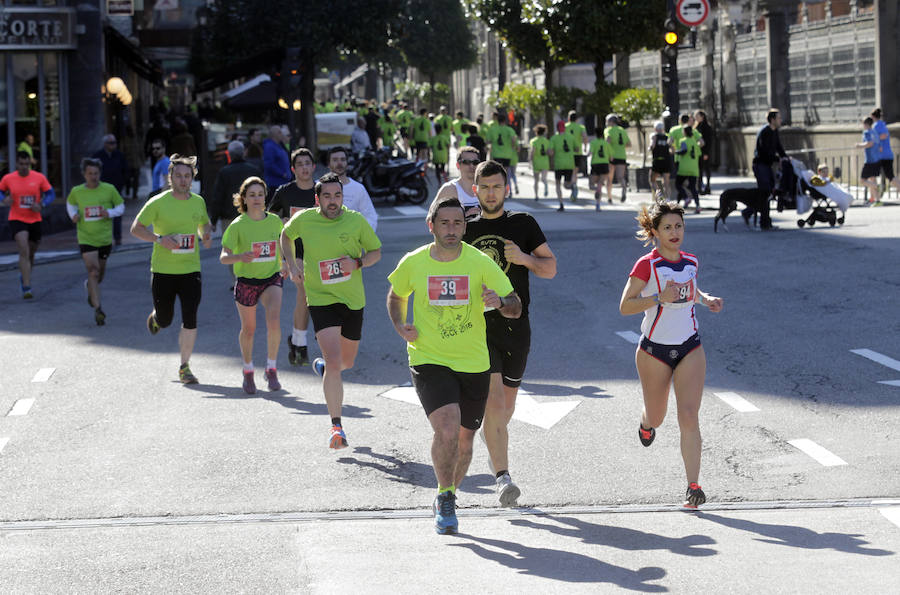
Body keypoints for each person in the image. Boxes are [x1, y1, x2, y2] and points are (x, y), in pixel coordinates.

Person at [387, 195, 521, 534]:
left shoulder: (479, 262)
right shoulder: (414, 262)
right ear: (430, 225)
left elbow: (515, 305)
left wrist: (500, 301)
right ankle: (446, 497)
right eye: (444, 223)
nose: (451, 229)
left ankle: (447, 491)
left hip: (473, 363)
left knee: (464, 441)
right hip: (428, 357)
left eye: (458, 223)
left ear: (465, 226)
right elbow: (396, 295)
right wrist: (400, 324)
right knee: (446, 428)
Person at [618, 199, 723, 509]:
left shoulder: (690, 261)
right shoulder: (646, 265)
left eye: (679, 226)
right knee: (659, 416)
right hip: (654, 352)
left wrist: (706, 300)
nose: (675, 232)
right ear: (655, 232)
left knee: (689, 415)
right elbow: (625, 306)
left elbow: (690, 292)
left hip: (690, 345)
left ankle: (693, 486)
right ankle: (646, 421)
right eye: (668, 227)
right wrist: (655, 297)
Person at [462, 161, 556, 507]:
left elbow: (551, 268)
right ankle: (504, 478)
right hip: (477, 328)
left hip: (516, 325)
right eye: (484, 187)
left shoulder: (523, 223)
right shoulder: (466, 229)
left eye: (496, 187)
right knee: (495, 402)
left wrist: (524, 258)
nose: (490, 193)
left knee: (505, 408)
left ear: (507, 189)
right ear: (475, 190)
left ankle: (494, 445)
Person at [280, 172, 381, 449]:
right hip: (321, 297)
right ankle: (337, 427)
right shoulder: (305, 219)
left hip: (352, 300)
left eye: (337, 196)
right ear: (317, 199)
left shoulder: (356, 221)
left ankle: (326, 368)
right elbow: (285, 235)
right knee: (336, 362)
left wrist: (358, 263)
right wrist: (291, 263)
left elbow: (376, 252)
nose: (333, 201)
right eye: (327, 196)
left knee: (344, 363)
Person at [130, 154, 212, 385]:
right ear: (170, 178)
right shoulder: (158, 202)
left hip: (190, 269)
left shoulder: (198, 202)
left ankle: (184, 366)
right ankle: (157, 318)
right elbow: (136, 228)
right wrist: (159, 239)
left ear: (192, 178)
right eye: (179, 176)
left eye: (188, 176)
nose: (183, 180)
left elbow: (204, 223)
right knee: (166, 319)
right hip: (163, 270)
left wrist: (205, 232)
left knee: (190, 317)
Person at [221, 177, 284, 394]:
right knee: (249, 329)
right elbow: (223, 257)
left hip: (271, 278)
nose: (257, 199)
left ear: (265, 197)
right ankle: (248, 371)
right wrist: (239, 256)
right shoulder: (238, 225)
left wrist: (286, 264)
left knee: (274, 321)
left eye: (260, 194)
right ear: (244, 199)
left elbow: (284, 246)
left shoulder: (275, 221)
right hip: (247, 282)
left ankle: (271, 368)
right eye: (252, 195)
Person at [269, 147, 317, 365]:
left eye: (308, 163)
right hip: (296, 253)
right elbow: (270, 221)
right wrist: (283, 259)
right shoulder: (284, 192)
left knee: (315, 298)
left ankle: (299, 341)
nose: (305, 168)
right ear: (293, 169)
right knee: (305, 294)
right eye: (300, 164)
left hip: (322, 252)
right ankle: (301, 345)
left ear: (314, 166)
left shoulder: (322, 190)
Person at [65, 157, 125, 325]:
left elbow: (121, 206)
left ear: (100, 173)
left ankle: (90, 288)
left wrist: (110, 213)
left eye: (96, 173)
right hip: (86, 237)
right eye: (90, 173)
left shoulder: (109, 189)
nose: (93, 176)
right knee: (93, 271)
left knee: (100, 275)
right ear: (84, 174)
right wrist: (73, 215)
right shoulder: (77, 191)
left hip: (104, 238)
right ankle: (98, 309)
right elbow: (70, 205)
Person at [0, 151, 55, 299]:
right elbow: (0, 190)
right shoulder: (8, 178)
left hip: (34, 219)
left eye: (26, 164)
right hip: (17, 218)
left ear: (29, 164)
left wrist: (42, 204)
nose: (24, 167)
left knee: (31, 253)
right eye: (21, 164)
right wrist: (4, 199)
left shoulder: (39, 177)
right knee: (23, 249)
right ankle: (27, 287)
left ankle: (24, 275)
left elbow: (51, 194)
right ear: (16, 164)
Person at [211, 140, 262, 250]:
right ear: (243, 152)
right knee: (250, 249)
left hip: (229, 217)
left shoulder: (224, 172)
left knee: (231, 251)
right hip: (251, 216)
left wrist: (213, 220)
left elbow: (217, 197)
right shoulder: (254, 170)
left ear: (229, 155)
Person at [745, 108, 786, 230]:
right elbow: (763, 151)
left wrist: (785, 157)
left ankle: (748, 212)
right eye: (778, 118)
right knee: (765, 192)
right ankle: (765, 222)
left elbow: (779, 147)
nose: (780, 120)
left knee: (768, 193)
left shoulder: (775, 131)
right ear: (772, 119)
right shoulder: (764, 132)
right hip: (760, 165)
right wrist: (776, 159)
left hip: (767, 165)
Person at [326, 146, 378, 231]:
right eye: (335, 160)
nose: (339, 163)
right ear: (328, 164)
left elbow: (370, 216)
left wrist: (360, 236)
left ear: (347, 163)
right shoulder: (318, 186)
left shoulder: (358, 188)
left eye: (343, 160)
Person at [92, 134, 129, 245]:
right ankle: (100, 238)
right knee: (101, 213)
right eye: (111, 143)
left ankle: (117, 238)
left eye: (114, 143)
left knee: (117, 214)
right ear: (105, 144)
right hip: (101, 190)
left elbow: (125, 170)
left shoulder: (119, 155)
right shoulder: (98, 156)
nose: (113, 145)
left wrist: (123, 183)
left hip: (116, 189)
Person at [433, 145, 482, 220]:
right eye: (466, 162)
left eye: (475, 162)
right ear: (458, 165)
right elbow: (431, 219)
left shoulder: (486, 188)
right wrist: (464, 217)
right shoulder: (449, 189)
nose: (471, 166)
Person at [871, 108, 900, 196]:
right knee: (883, 176)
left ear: (872, 116)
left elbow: (884, 135)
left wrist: (874, 141)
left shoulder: (876, 125)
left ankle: (876, 196)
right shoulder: (882, 124)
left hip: (882, 155)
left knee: (875, 175)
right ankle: (876, 195)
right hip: (885, 155)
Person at [548, 120, 575, 212]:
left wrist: (549, 152)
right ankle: (572, 187)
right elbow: (577, 148)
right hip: (569, 163)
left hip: (559, 164)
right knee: (567, 184)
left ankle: (561, 203)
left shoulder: (553, 138)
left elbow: (551, 152)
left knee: (558, 184)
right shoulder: (571, 137)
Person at [674, 126, 702, 213]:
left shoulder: (683, 141)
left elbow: (684, 150)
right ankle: (697, 205)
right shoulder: (694, 142)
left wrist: (675, 152)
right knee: (693, 187)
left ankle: (685, 199)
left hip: (684, 167)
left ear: (685, 132)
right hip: (694, 168)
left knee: (678, 184)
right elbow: (699, 153)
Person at [604, 114, 631, 202]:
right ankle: (624, 189)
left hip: (611, 156)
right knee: (620, 177)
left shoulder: (609, 130)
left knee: (609, 178)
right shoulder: (622, 130)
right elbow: (628, 144)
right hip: (622, 156)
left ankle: (609, 197)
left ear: (611, 122)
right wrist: (620, 147)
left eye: (607, 121)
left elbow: (607, 142)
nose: (606, 123)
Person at [857, 117, 882, 206]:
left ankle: (877, 187)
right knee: (872, 179)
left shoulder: (867, 132)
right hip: (876, 159)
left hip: (869, 160)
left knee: (863, 180)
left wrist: (859, 145)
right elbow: (879, 146)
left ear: (866, 124)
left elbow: (869, 143)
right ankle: (877, 200)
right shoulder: (874, 132)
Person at [565, 111, 589, 200]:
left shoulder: (565, 127)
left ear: (568, 118)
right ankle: (574, 185)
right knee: (575, 172)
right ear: (577, 119)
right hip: (577, 152)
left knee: (568, 171)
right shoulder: (580, 127)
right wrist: (585, 147)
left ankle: (570, 185)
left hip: (566, 153)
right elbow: (585, 137)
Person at [263, 125, 292, 194]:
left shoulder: (277, 145)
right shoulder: (270, 146)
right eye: (280, 132)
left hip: (282, 182)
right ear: (275, 134)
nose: (282, 134)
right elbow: (269, 164)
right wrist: (282, 174)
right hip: (275, 183)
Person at [588, 130, 612, 210]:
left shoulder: (593, 143)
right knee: (600, 184)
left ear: (596, 135)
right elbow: (611, 157)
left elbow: (590, 153)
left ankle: (596, 190)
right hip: (604, 164)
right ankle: (598, 204)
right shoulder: (607, 144)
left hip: (595, 164)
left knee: (591, 185)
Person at [649, 121, 672, 199]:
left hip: (657, 160)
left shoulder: (654, 136)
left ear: (655, 129)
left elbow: (652, 145)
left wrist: (650, 148)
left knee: (652, 180)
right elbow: (672, 148)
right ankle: (668, 198)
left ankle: (659, 195)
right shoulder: (667, 137)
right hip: (666, 160)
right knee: (666, 182)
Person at [694, 110, 714, 194]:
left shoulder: (707, 127)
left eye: (697, 116)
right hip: (698, 152)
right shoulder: (696, 127)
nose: (696, 118)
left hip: (705, 151)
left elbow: (709, 141)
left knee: (706, 169)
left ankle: (708, 186)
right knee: (699, 170)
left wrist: (706, 153)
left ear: (702, 117)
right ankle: (699, 187)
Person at [529, 124, 550, 200]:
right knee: (544, 178)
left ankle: (536, 195)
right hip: (545, 162)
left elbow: (532, 151)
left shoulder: (533, 141)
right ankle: (546, 185)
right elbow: (549, 152)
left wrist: (530, 161)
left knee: (536, 180)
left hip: (536, 162)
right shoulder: (547, 141)